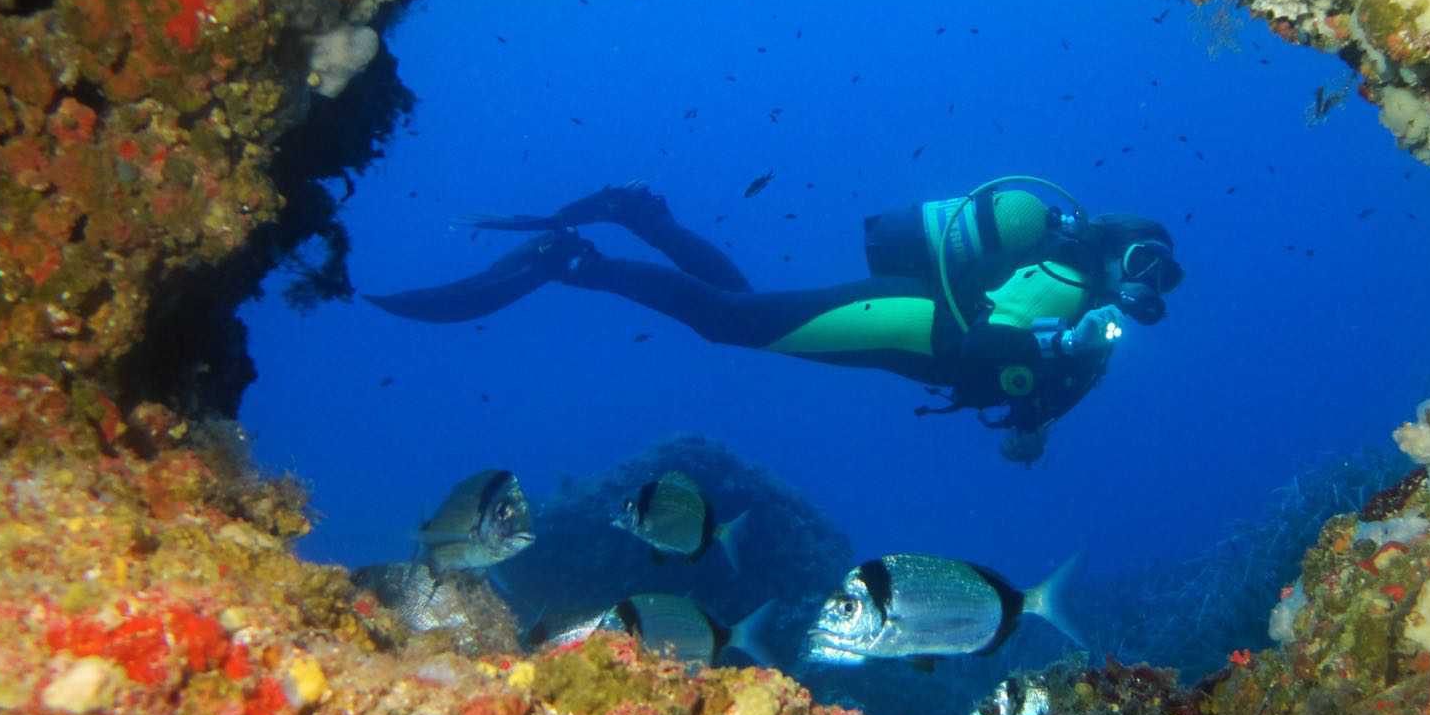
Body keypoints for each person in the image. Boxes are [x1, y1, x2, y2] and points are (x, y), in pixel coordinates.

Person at [365, 180, 1182, 464]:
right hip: (916, 325)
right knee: (732, 321)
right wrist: (1052, 344)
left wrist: (1045, 392)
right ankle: (572, 260)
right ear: (1117, 250)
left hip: (910, 332)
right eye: (1146, 264)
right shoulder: (1071, 277)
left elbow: (1025, 395)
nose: (1149, 288)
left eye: (1163, 280)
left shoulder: (1089, 311)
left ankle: (642, 216)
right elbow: (989, 341)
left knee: (744, 309)